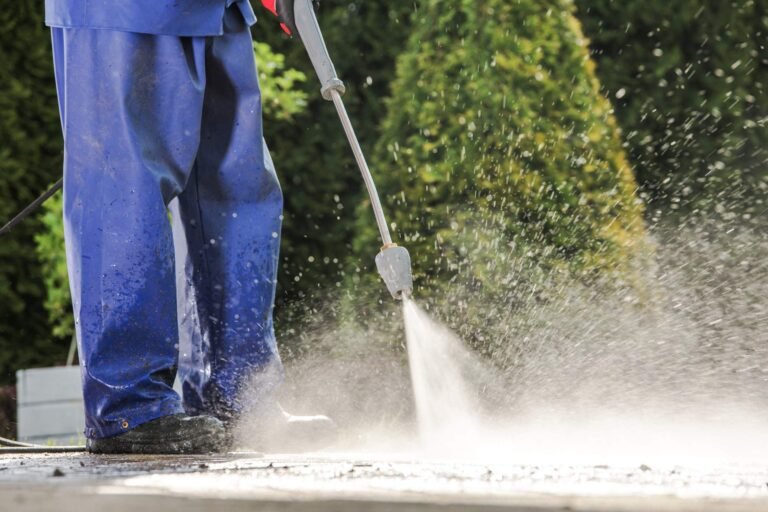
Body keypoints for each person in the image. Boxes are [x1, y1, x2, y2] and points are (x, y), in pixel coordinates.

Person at [45, 0, 333, 454]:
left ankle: (240, 395)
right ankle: (129, 405)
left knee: (236, 187)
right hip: (127, 11)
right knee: (126, 187)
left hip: (219, 10)